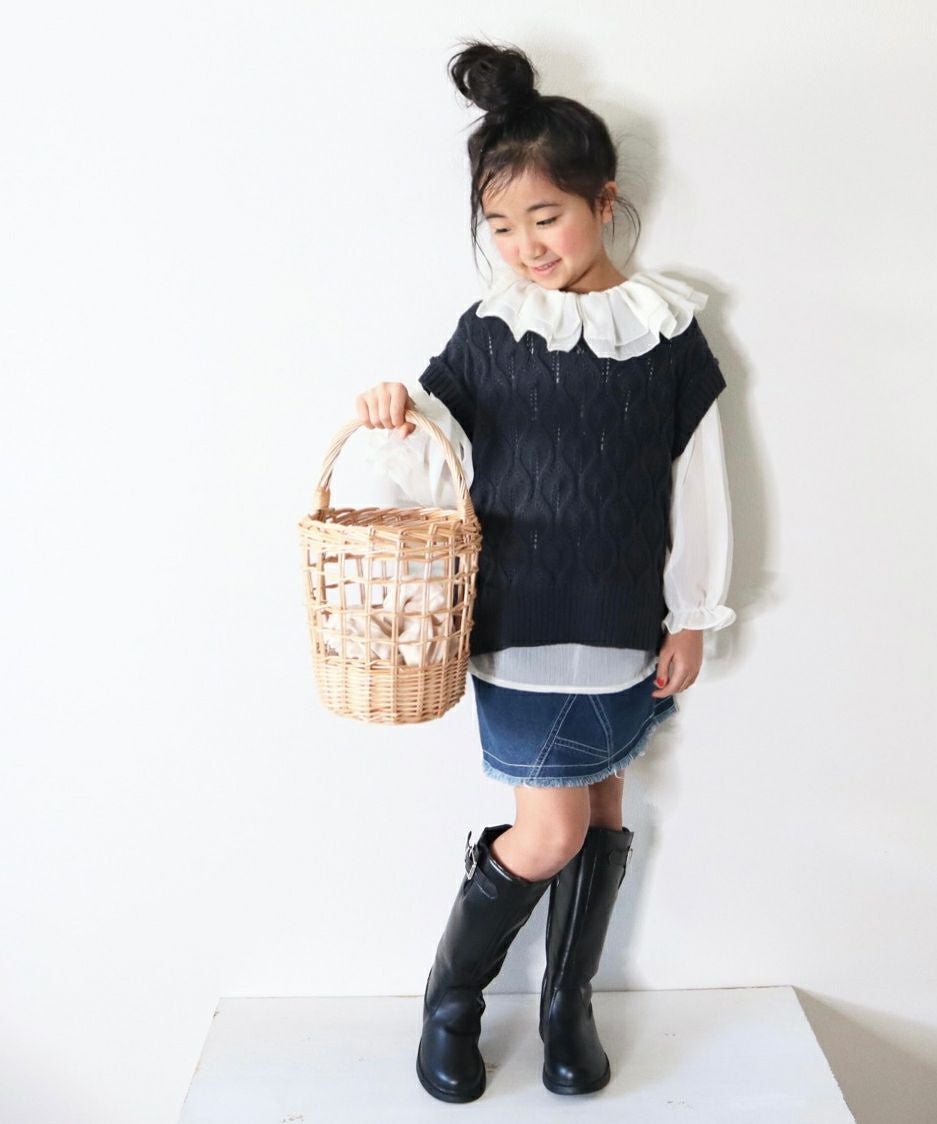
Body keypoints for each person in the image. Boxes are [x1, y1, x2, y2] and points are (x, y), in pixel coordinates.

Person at [355, 39, 736, 1104]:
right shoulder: (490, 332)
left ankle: (569, 1001)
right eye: (501, 226)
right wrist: (393, 411)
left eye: (546, 218)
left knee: (601, 813)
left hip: (625, 618)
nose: (525, 247)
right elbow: (430, 448)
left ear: (603, 202)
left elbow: (700, 482)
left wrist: (692, 612)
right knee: (551, 828)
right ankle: (451, 999)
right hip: (520, 617)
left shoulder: (666, 334)